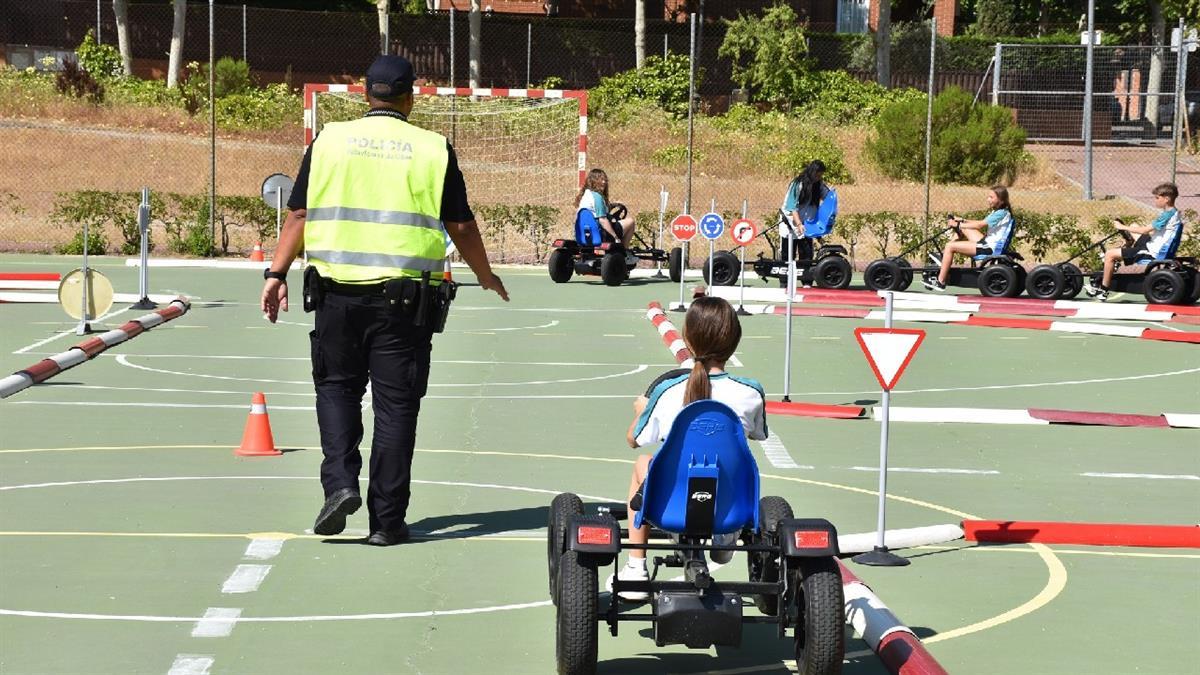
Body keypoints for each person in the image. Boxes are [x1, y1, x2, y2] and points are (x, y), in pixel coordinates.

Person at [260, 55, 509, 547]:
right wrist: (485, 275)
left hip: (334, 293)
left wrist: (275, 272)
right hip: (403, 301)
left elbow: (298, 215)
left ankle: (339, 484)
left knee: (335, 390)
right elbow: (460, 225)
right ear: (410, 98)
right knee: (396, 409)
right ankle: (387, 523)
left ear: (364, 94)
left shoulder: (328, 140)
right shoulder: (434, 148)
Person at [606, 297, 768, 601]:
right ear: (734, 341)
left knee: (643, 462)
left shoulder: (667, 392)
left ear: (688, 340)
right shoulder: (751, 392)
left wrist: (643, 410)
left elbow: (633, 438)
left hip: (672, 507)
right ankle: (724, 536)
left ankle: (636, 565)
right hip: (730, 507)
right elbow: (759, 433)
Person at [1085, 183, 1184, 302]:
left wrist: (1122, 227)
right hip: (1155, 245)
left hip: (1151, 252)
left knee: (1109, 254)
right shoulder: (1174, 212)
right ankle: (1125, 250)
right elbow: (1157, 233)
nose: (1155, 200)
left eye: (1157, 198)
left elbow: (1145, 230)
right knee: (1134, 226)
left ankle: (1103, 290)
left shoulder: (1166, 216)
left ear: (1166, 199)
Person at [924, 186, 1015, 292]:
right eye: (988, 197)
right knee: (963, 228)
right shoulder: (1000, 211)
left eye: (991, 197)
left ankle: (940, 281)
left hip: (989, 248)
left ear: (1001, 200)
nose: (988, 200)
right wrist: (962, 220)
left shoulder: (1000, 213)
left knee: (950, 246)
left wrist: (958, 225)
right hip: (989, 242)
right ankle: (943, 258)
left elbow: (979, 225)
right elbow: (979, 222)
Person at [780, 160, 835, 262]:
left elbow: (828, 197)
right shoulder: (797, 184)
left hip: (807, 225)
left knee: (806, 256)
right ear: (812, 172)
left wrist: (832, 195)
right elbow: (792, 207)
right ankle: (785, 277)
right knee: (787, 256)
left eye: (821, 175)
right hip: (791, 223)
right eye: (817, 175)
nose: (819, 178)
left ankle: (806, 277)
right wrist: (799, 224)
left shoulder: (819, 184)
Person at [576, 168, 636, 250]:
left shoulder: (586, 195)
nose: (604, 182)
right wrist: (615, 237)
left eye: (605, 180)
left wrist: (610, 207)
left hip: (586, 232)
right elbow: (603, 220)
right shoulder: (597, 197)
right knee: (630, 221)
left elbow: (595, 212)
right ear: (593, 181)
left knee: (616, 222)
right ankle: (624, 252)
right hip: (601, 233)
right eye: (601, 180)